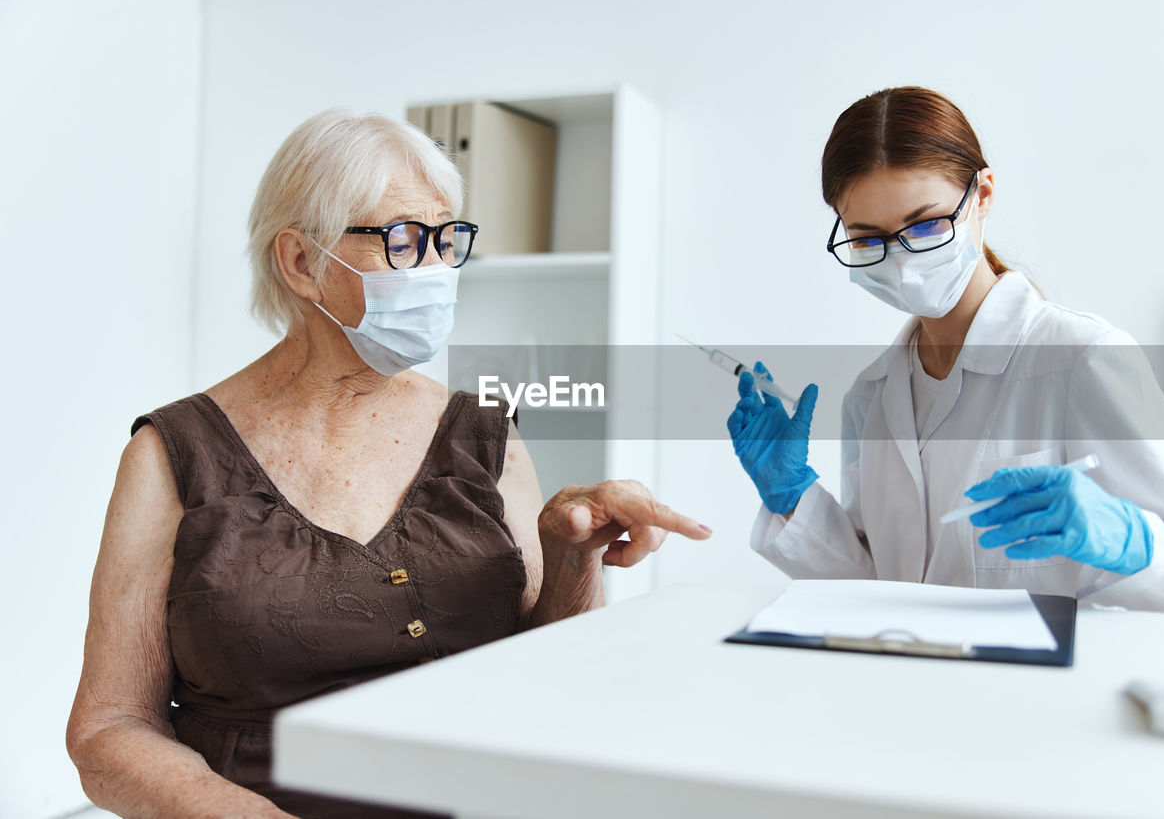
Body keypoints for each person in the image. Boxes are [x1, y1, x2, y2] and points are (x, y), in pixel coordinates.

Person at [66, 108, 710, 819]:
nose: (436, 271)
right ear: (302, 262)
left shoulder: (483, 432)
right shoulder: (171, 454)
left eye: (447, 239)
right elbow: (108, 731)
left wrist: (570, 556)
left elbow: (546, 680)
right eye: (404, 240)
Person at [727, 86, 1164, 615]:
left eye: (926, 224)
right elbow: (881, 590)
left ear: (982, 195)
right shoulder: (870, 397)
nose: (904, 260)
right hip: (900, 696)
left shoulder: (1084, 359)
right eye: (869, 238)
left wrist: (1131, 542)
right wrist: (793, 494)